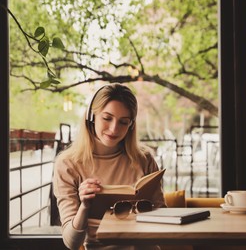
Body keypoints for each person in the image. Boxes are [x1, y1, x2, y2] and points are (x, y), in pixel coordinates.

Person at [53, 83, 166, 250]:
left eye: (124, 122)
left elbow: (162, 218)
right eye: (107, 118)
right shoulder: (68, 164)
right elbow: (71, 242)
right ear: (91, 117)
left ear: (131, 125)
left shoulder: (144, 158)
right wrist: (84, 206)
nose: (114, 129)